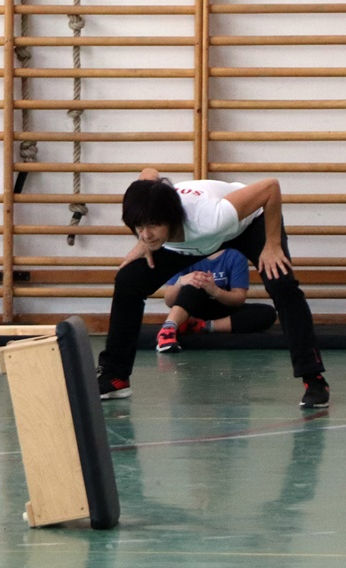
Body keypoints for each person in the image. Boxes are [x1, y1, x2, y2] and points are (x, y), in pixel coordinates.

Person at [98, 170, 330, 409]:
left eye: (152, 225)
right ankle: (116, 377)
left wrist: (272, 244)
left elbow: (270, 187)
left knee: (281, 283)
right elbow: (149, 173)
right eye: (139, 226)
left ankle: (314, 379)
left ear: (170, 218)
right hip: (191, 239)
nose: (146, 234)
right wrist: (142, 240)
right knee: (128, 280)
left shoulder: (210, 217)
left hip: (246, 225)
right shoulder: (151, 222)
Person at [155, 248, 278, 353]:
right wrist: (181, 282)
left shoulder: (235, 255)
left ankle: (201, 326)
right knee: (193, 287)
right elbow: (169, 301)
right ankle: (168, 330)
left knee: (267, 313)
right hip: (193, 307)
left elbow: (239, 299)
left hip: (222, 308)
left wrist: (214, 290)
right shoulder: (185, 253)